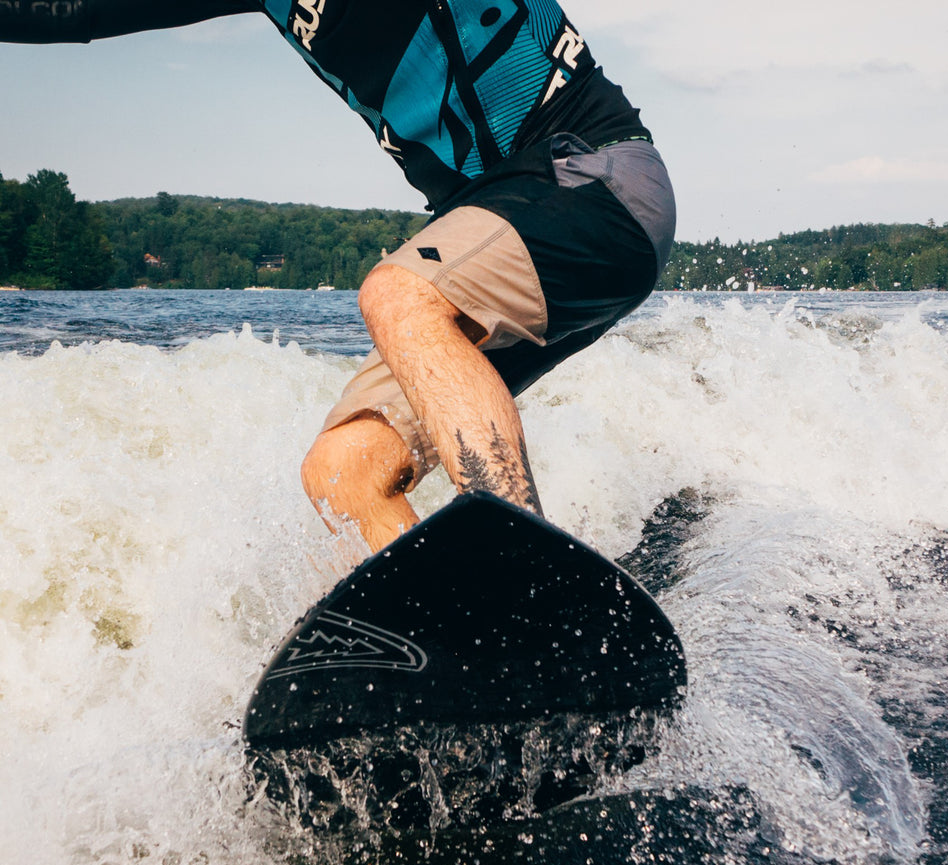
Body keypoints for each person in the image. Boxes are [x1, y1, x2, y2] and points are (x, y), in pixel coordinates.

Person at [2, 0, 676, 552]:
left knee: (396, 295)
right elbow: (73, 11)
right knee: (342, 471)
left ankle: (519, 567)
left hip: (591, 176)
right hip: (504, 236)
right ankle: (474, 654)